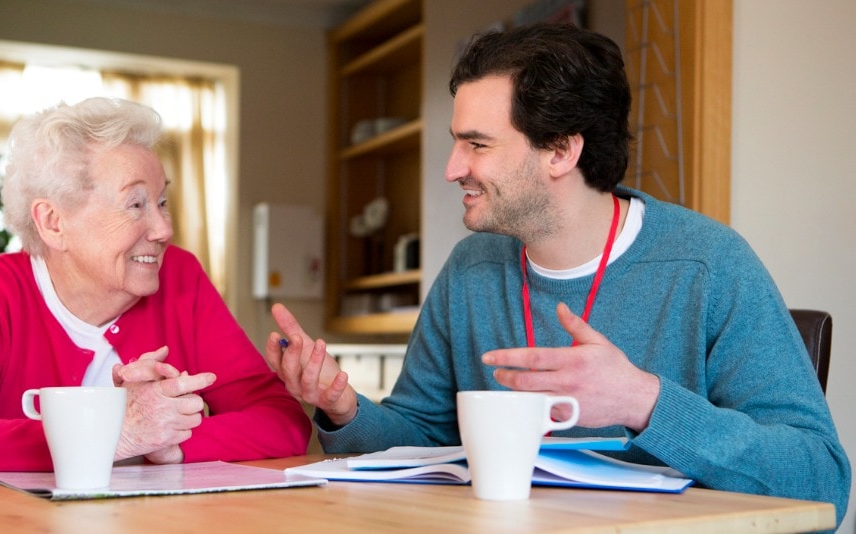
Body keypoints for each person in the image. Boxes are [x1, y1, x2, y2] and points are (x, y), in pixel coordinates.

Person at [264, 22, 851, 526]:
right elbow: (424, 440)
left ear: (561, 151)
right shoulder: (471, 269)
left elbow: (821, 481)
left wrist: (643, 400)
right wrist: (344, 409)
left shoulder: (710, 265)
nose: (451, 169)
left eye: (478, 145)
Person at [0, 97, 311, 477]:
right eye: (136, 204)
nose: (164, 229)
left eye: (162, 201)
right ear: (53, 222)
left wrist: (170, 445)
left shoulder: (180, 278)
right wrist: (101, 434)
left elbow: (282, 419)